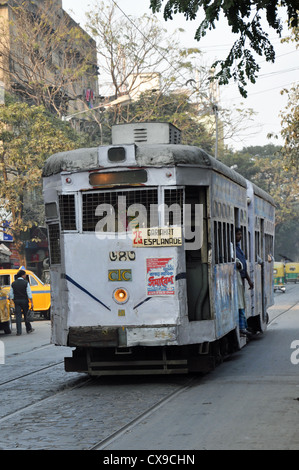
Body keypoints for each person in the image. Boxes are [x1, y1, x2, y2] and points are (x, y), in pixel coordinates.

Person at [235, 228, 254, 338]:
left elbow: (243, 265)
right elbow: (238, 264)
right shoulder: (232, 248)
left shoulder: (238, 248)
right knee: (239, 304)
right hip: (236, 280)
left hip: (241, 279)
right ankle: (241, 328)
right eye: (238, 234)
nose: (240, 236)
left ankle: (243, 327)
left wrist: (248, 279)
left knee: (242, 304)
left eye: (241, 234)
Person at [9, 269, 34, 336]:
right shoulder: (26, 283)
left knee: (18, 316)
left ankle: (19, 331)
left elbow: (11, 295)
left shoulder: (13, 283)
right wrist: (32, 302)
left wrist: (13, 301)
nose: (25, 276)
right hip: (24, 301)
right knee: (26, 315)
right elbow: (29, 294)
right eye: (25, 275)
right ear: (22, 275)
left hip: (16, 301)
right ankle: (28, 329)